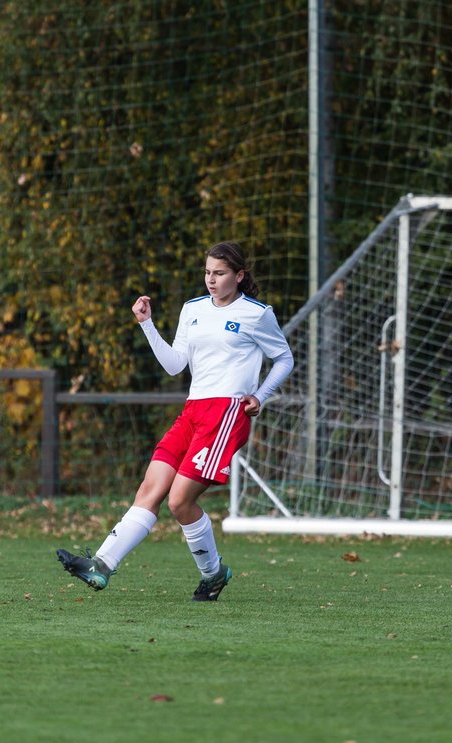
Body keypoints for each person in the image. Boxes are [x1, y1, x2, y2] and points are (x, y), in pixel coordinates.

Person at [56, 241, 294, 602]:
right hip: (193, 409)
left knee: (179, 501)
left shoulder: (257, 314)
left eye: (220, 273)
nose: (211, 280)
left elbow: (284, 359)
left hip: (226, 413)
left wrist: (260, 395)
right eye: (207, 273)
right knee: (150, 489)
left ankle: (212, 575)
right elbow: (174, 365)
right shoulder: (193, 309)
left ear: (239, 276)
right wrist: (147, 324)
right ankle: (102, 565)